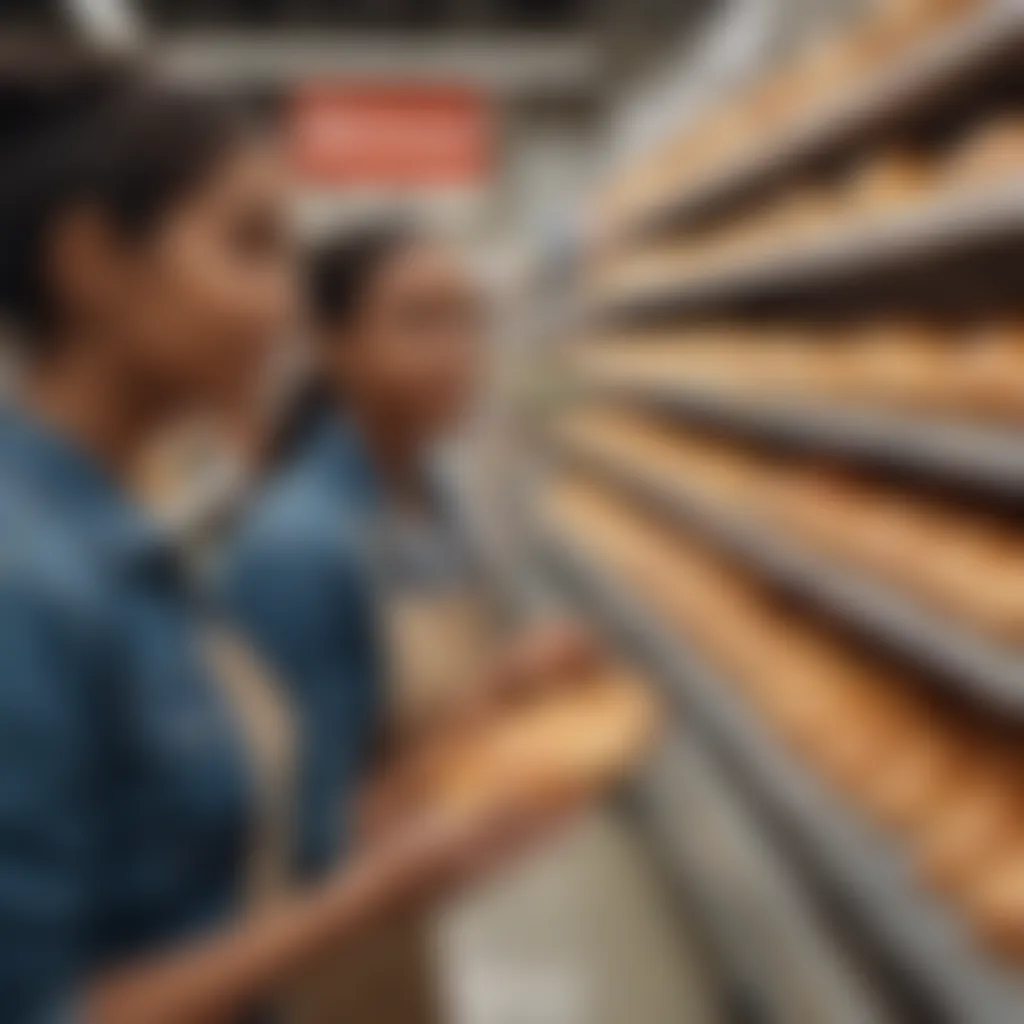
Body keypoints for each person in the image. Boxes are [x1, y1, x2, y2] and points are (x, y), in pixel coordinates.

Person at [0, 43, 573, 1024]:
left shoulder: (118, 532)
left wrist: (473, 723)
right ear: (92, 263)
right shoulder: (29, 583)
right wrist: (371, 893)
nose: (282, 307)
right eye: (249, 247)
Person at [222, 222, 595, 1021]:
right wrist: (482, 738)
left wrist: (508, 692)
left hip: (401, 922)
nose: (459, 349)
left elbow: (402, 734)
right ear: (330, 345)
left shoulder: (431, 494)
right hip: (324, 950)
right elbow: (306, 838)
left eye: (469, 319)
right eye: (420, 321)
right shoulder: (301, 546)